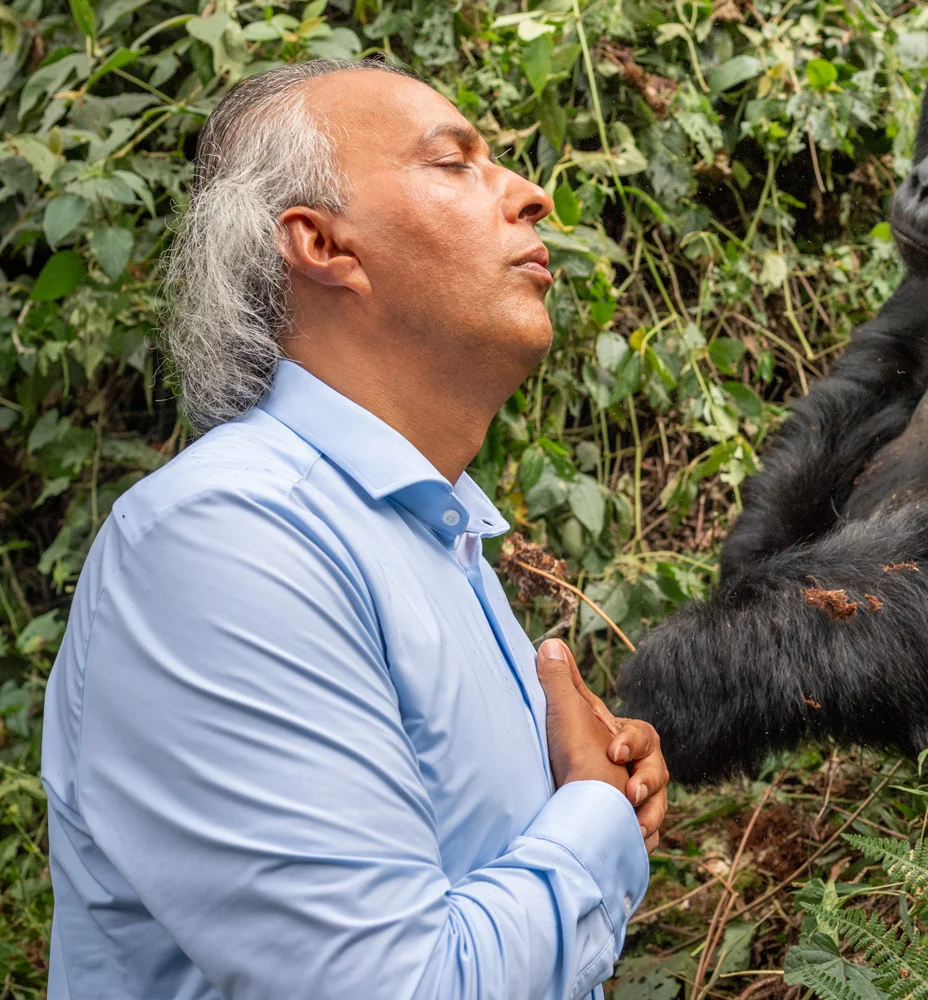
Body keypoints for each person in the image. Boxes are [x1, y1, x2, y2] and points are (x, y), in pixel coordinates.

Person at [40, 56, 669, 1000]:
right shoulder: (227, 540)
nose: (533, 195)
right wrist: (593, 817)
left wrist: (578, 791)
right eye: (454, 163)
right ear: (322, 245)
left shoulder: (435, 537)